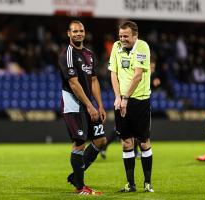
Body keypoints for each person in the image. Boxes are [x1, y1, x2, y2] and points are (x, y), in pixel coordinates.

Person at [58, 20, 107, 195]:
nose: (78, 34)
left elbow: (94, 80)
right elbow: (73, 83)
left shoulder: (89, 54)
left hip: (89, 105)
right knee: (79, 144)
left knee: (101, 141)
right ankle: (81, 187)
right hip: (74, 105)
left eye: (81, 31)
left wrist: (99, 105)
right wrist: (89, 106)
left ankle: (76, 175)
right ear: (68, 34)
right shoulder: (67, 54)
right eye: (75, 31)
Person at [108, 21, 154, 192]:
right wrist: (118, 97)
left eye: (126, 36)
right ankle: (131, 184)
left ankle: (147, 183)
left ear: (135, 35)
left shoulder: (142, 47)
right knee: (126, 142)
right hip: (122, 100)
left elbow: (138, 76)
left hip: (140, 100)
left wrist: (125, 98)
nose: (122, 39)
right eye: (120, 36)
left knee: (143, 142)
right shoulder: (116, 47)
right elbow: (113, 73)